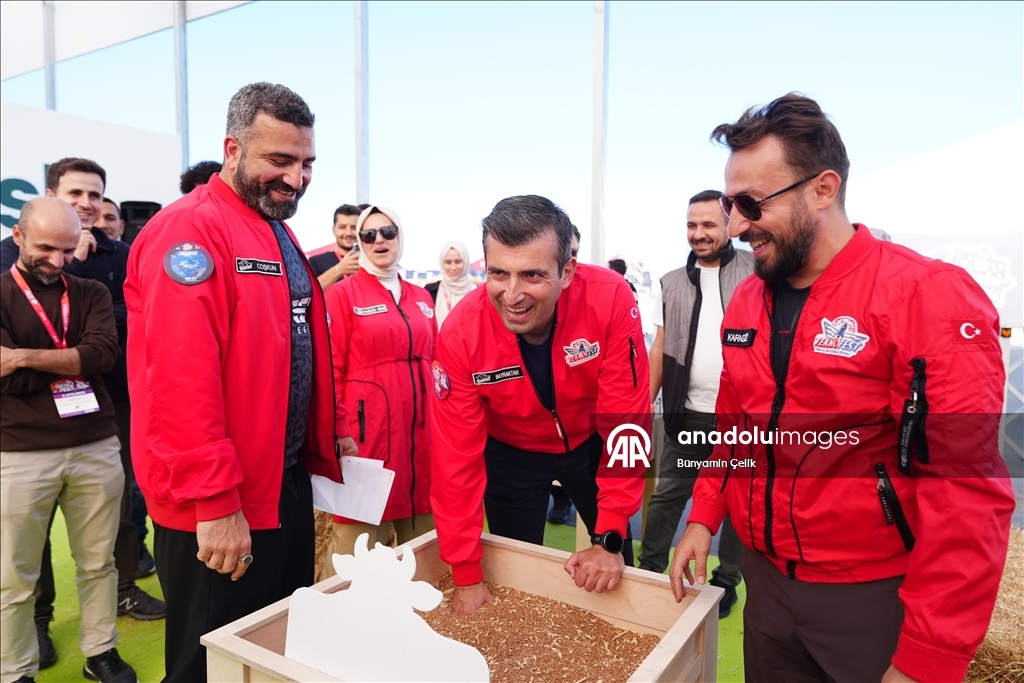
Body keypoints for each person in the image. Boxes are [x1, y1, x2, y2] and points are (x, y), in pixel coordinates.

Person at [669, 94, 1014, 683]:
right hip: (768, 587)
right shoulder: (750, 297)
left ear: (823, 189)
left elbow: (967, 493)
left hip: (873, 596)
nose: (737, 225)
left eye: (751, 204)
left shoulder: (925, 295)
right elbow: (735, 424)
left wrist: (929, 657)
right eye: (730, 205)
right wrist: (704, 514)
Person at [125, 82, 356, 682]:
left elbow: (286, 350)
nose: (297, 178)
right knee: (210, 665)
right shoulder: (191, 233)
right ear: (233, 149)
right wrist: (217, 501)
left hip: (278, 483)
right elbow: (180, 382)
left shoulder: (274, 229)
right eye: (279, 161)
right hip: (222, 503)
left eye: (306, 163)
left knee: (274, 647)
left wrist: (325, 435)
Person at [431, 195, 650, 617]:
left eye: (531, 274)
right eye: (498, 273)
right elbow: (453, 462)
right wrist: (465, 573)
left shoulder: (609, 298)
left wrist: (610, 538)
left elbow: (628, 423)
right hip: (511, 454)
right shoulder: (460, 332)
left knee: (615, 569)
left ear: (566, 270)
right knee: (515, 580)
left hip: (591, 443)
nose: (512, 295)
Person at [1, 197, 138, 683]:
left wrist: (20, 358)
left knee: (98, 562)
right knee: (13, 579)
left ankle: (100, 650)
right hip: (17, 453)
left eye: (65, 249)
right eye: (44, 248)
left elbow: (102, 355)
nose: (57, 261)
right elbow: (6, 381)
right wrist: (63, 359)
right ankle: (15, 670)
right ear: (16, 237)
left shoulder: (89, 292)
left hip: (95, 442)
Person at [55, 161, 165, 624]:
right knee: (32, 526)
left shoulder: (123, 253)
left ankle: (123, 590)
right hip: (33, 409)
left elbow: (137, 316)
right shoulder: (10, 255)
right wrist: (73, 264)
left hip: (114, 399)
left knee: (119, 500)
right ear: (51, 194)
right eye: (75, 193)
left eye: (94, 195)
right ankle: (40, 618)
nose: (85, 204)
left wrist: (97, 328)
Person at [637, 190, 753, 620]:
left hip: (741, 418)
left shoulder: (755, 271)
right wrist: (642, 408)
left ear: (728, 226)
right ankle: (648, 570)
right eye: (691, 225)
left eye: (708, 224)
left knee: (738, 500)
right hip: (686, 412)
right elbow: (661, 346)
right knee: (669, 495)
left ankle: (727, 582)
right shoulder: (670, 282)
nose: (699, 233)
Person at [322, 205, 436, 571]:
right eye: (368, 235)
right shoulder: (342, 295)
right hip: (367, 440)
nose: (379, 240)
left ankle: (421, 620)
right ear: (359, 242)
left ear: (399, 236)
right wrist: (338, 431)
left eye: (387, 232)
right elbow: (330, 370)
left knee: (424, 546)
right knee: (355, 550)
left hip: (420, 440)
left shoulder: (422, 297)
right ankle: (338, 623)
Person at [309, 203, 367, 290]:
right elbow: (309, 292)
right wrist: (339, 270)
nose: (348, 233)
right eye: (342, 227)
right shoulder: (316, 261)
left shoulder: (372, 260)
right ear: (334, 230)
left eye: (354, 227)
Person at [425, 240, 476, 327]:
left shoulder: (478, 292)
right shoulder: (430, 292)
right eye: (448, 262)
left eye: (458, 262)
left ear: (466, 261)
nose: (453, 267)